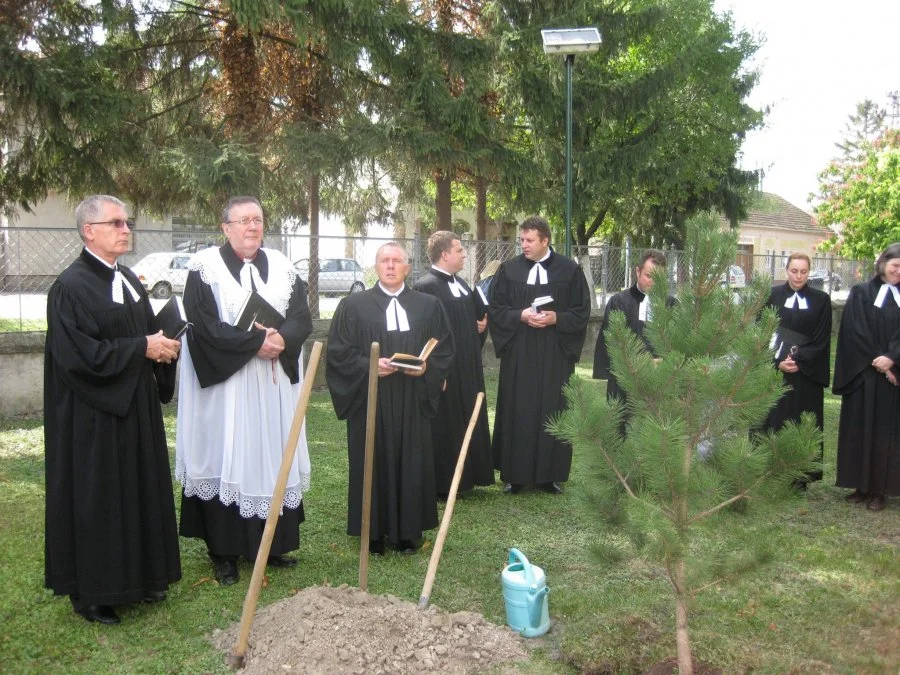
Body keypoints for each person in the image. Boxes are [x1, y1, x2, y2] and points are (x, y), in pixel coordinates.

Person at [44, 195, 182, 624]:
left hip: (134, 407)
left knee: (137, 485)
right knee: (99, 494)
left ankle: (140, 577)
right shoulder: (70, 287)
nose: (127, 229)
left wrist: (162, 344)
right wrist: (143, 346)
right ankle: (95, 592)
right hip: (93, 415)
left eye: (128, 222)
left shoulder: (127, 280)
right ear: (90, 231)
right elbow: (79, 357)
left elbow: (137, 335)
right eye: (117, 223)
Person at [176, 196, 312, 585]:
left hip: (272, 386)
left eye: (258, 220)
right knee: (228, 454)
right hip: (228, 386)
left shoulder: (284, 267)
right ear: (225, 227)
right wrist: (255, 345)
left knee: (270, 453)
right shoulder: (204, 268)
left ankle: (269, 545)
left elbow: (302, 315)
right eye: (243, 221)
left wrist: (282, 341)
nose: (253, 227)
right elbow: (202, 324)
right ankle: (225, 553)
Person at [326, 242, 454, 554]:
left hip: (412, 399)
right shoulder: (353, 306)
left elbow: (445, 349)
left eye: (398, 261)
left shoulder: (428, 305)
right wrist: (369, 366)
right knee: (372, 458)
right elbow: (338, 354)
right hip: (371, 399)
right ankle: (372, 533)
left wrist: (425, 368)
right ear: (376, 266)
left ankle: (408, 533)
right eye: (385, 260)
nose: (391, 266)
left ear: (408, 267)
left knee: (412, 459)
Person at [488, 216, 591, 494]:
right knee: (517, 409)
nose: (524, 245)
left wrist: (556, 318)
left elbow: (582, 312)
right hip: (519, 353)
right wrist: (519, 315)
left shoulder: (569, 271)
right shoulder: (508, 271)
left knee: (552, 407)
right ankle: (515, 475)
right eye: (522, 240)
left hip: (554, 353)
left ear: (546, 240)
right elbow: (495, 309)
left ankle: (549, 476)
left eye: (530, 240)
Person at [413, 231, 493, 498]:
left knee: (468, 416)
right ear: (445, 254)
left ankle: (470, 476)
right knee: (447, 422)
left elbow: (471, 316)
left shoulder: (461, 283)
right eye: (459, 250)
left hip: (468, 366)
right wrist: (436, 370)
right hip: (447, 370)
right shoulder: (426, 286)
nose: (464, 254)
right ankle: (447, 481)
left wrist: (480, 325)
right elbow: (425, 332)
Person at [832, 243, 900, 512]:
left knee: (887, 433)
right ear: (882, 263)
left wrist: (892, 358)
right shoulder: (861, 293)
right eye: (895, 265)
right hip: (863, 373)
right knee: (860, 430)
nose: (898, 271)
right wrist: (880, 362)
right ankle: (860, 485)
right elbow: (853, 331)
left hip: (892, 378)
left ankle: (880, 490)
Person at [762, 253, 832, 489]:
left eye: (803, 271)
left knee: (803, 422)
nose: (799, 276)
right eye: (794, 271)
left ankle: (799, 478)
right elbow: (762, 332)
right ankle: (772, 474)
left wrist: (798, 358)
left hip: (806, 375)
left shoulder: (821, 300)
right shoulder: (771, 296)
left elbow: (822, 339)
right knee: (776, 421)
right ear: (786, 270)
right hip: (777, 371)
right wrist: (777, 362)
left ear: (809, 272)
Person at [593, 249, 670, 411]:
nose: (653, 282)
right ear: (637, 271)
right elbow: (611, 343)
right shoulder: (619, 302)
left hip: (661, 384)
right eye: (649, 276)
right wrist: (642, 363)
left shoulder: (671, 305)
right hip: (624, 384)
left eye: (659, 278)